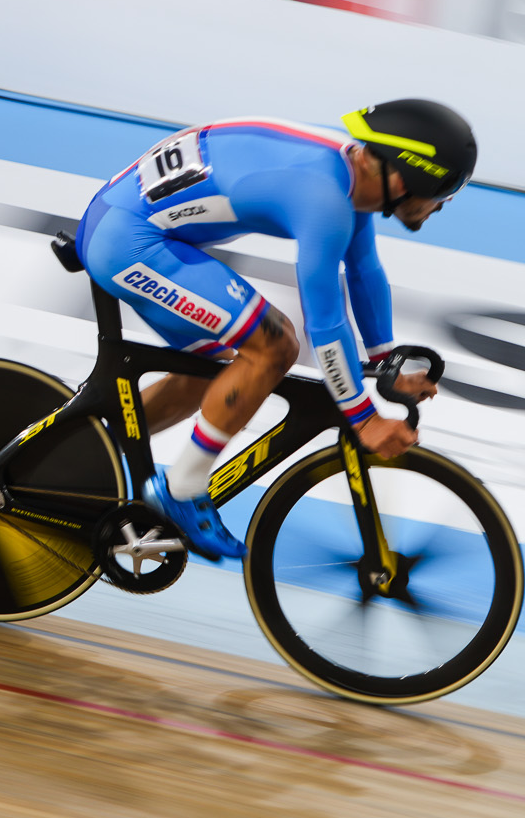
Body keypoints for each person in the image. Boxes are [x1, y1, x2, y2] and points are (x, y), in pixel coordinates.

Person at [75, 101, 474, 559]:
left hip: (132, 225)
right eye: (445, 190)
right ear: (406, 179)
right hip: (128, 241)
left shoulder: (352, 176)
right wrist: (363, 418)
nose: (443, 204)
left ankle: (84, 455)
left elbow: (364, 270)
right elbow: (324, 322)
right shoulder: (325, 199)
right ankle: (182, 488)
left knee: (219, 372)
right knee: (275, 345)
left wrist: (384, 360)